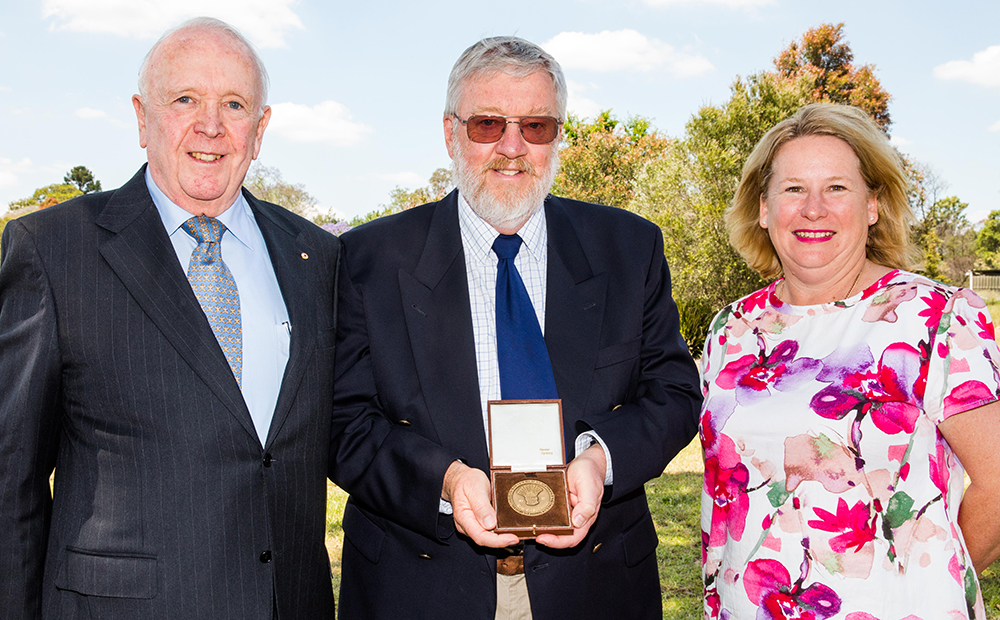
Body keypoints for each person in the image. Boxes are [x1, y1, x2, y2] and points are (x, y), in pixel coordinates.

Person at [0, 17, 381, 620]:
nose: (211, 124)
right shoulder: (54, 250)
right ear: (141, 117)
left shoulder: (317, 256)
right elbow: (8, 479)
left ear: (260, 130)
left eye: (234, 103)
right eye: (185, 99)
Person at [332, 36, 702, 620]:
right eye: (487, 125)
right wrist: (448, 481)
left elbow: (675, 394)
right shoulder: (367, 260)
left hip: (597, 586)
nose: (512, 147)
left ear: (558, 136)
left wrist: (599, 461)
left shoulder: (629, 249)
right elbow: (343, 422)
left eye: (536, 125)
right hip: (420, 588)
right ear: (450, 132)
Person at [701, 102, 1000, 619]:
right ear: (763, 208)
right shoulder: (734, 328)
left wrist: (926, 586)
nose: (813, 208)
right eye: (793, 188)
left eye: (836, 187)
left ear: (872, 205)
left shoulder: (935, 318)